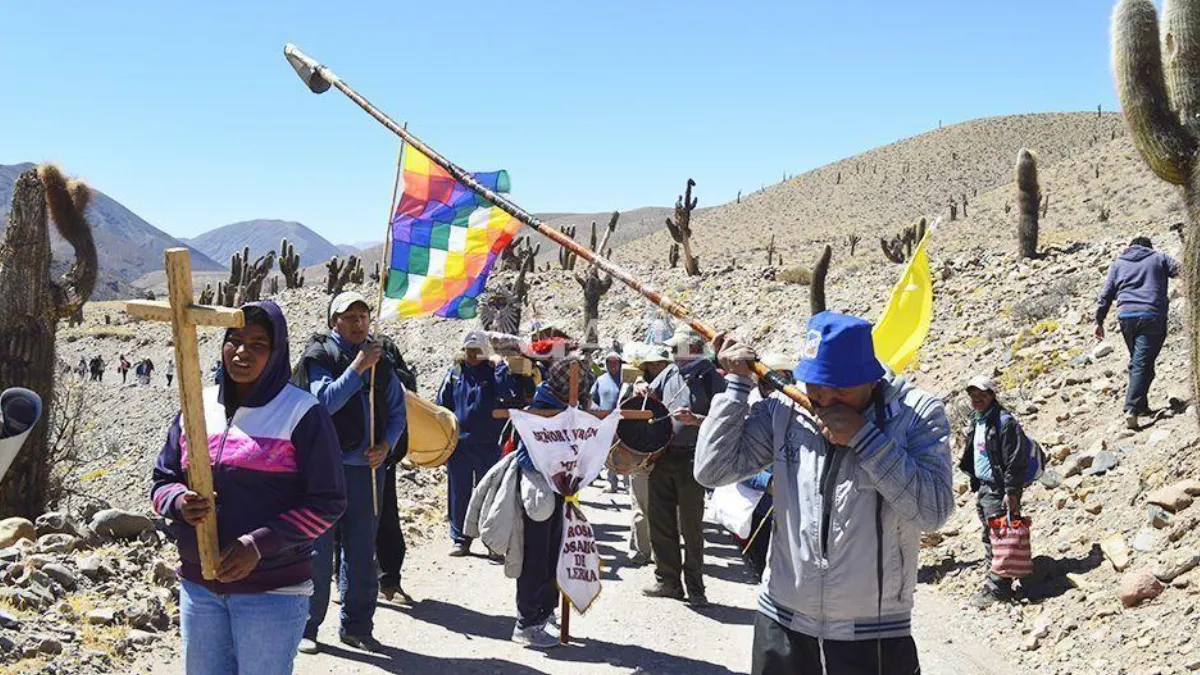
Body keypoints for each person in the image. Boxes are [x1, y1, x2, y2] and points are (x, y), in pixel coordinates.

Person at [695, 312, 955, 675]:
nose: (825, 399)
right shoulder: (788, 409)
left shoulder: (915, 415)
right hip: (782, 621)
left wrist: (867, 440)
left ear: (871, 378)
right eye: (816, 386)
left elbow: (933, 510)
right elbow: (712, 470)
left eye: (841, 388)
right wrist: (737, 385)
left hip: (873, 633)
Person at [150, 301, 346, 675]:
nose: (241, 352)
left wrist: (258, 545)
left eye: (258, 344)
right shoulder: (196, 406)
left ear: (276, 354)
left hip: (271, 592)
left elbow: (328, 503)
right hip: (200, 587)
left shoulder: (302, 413)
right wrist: (178, 502)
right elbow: (162, 479)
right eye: (234, 340)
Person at [293, 291, 407, 654]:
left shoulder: (382, 361)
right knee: (317, 551)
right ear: (333, 321)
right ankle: (307, 627)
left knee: (361, 551)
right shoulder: (321, 356)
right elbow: (323, 403)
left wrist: (387, 445)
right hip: (322, 470)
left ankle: (357, 626)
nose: (358, 323)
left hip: (367, 472)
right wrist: (357, 367)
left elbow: (397, 412)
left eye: (363, 316)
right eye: (349, 317)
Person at [636, 324, 725, 607]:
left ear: (694, 349)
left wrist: (697, 420)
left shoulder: (710, 376)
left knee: (691, 525)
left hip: (693, 457)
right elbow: (651, 393)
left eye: (679, 348)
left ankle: (696, 588)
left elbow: (728, 418)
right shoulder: (670, 372)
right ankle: (667, 581)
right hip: (663, 454)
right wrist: (641, 385)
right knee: (660, 520)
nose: (674, 353)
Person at [509, 355, 595, 648]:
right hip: (542, 493)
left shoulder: (573, 409)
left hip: (562, 492)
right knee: (537, 557)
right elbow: (525, 455)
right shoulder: (539, 411)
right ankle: (527, 621)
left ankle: (545, 612)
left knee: (556, 554)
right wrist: (551, 465)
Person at [436, 329, 516, 557]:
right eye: (469, 350)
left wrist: (500, 366)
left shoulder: (493, 373)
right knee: (459, 493)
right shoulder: (454, 373)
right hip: (458, 446)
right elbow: (442, 405)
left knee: (489, 493)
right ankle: (461, 539)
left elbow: (507, 393)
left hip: (488, 444)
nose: (472, 355)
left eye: (477, 351)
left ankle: (492, 542)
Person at [1095, 235, 1180, 429]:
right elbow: (1183, 271)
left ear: (1130, 247)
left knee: (1138, 361)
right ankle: (1131, 409)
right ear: (1149, 247)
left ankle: (1142, 406)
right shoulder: (1159, 258)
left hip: (1126, 318)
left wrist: (1099, 320)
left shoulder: (1118, 264)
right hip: (1151, 316)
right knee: (1143, 361)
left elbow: (1106, 294)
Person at [958, 375, 1027, 608]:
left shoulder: (1004, 422)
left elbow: (1014, 460)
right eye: (973, 395)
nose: (976, 399)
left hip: (999, 489)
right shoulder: (979, 419)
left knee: (1000, 537)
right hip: (985, 487)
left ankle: (999, 587)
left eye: (981, 395)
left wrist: (1011, 491)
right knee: (991, 534)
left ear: (992, 395)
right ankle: (995, 581)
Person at [376, 335, 417, 603]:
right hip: (341, 457)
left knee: (386, 519)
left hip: (382, 456)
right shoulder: (331, 356)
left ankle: (390, 581)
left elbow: (406, 401)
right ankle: (341, 577)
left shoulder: (387, 354)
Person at [591, 351, 625, 493]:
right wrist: (597, 410)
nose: (612, 365)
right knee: (608, 452)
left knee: (625, 451)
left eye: (615, 362)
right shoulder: (601, 379)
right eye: (609, 362)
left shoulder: (626, 379)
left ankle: (628, 483)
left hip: (624, 421)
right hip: (605, 422)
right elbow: (592, 398)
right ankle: (612, 482)